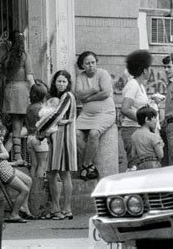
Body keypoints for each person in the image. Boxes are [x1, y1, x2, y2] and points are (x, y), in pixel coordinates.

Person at [36, 70, 76, 220]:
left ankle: (66, 209)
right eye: (59, 81)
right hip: (56, 138)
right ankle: (56, 208)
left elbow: (56, 115)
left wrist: (40, 130)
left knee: (64, 173)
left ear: (68, 83)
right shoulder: (58, 97)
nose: (61, 84)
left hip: (64, 138)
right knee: (52, 174)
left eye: (64, 81)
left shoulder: (68, 96)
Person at [75, 51, 116, 181]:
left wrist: (87, 98)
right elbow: (79, 95)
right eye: (87, 63)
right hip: (86, 114)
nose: (91, 65)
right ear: (82, 65)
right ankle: (90, 165)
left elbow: (105, 93)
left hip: (105, 113)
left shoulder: (103, 74)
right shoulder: (80, 77)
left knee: (93, 133)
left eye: (93, 62)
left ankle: (85, 165)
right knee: (74, 134)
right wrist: (93, 90)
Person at [3, 31, 35, 161]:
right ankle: (29, 156)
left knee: (16, 124)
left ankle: (17, 156)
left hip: (10, 89)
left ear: (10, 42)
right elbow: (30, 78)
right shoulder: (25, 56)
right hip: (23, 91)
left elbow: (3, 76)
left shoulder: (6, 57)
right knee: (30, 123)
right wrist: (36, 93)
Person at [120, 50, 153, 169]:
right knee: (135, 165)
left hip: (139, 130)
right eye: (149, 68)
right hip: (132, 130)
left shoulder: (141, 86)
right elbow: (125, 108)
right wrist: (143, 120)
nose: (150, 71)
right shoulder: (133, 84)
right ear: (144, 70)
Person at [26, 80, 50, 179]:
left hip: (30, 137)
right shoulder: (41, 109)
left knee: (34, 164)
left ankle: (32, 190)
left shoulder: (29, 107)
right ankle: (38, 189)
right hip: (39, 138)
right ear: (44, 96)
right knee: (42, 164)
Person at [131, 106, 164, 170]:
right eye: (154, 118)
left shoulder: (134, 135)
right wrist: (161, 145)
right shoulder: (154, 136)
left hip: (141, 165)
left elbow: (133, 154)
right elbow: (160, 155)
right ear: (147, 119)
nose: (156, 120)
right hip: (154, 165)